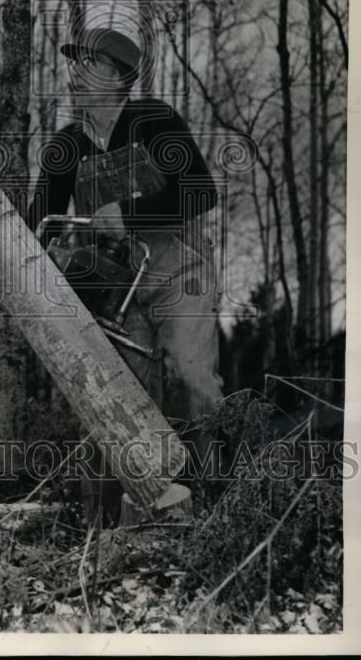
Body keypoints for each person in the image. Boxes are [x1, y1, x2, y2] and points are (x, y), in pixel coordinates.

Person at [28, 27, 224, 454]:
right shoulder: (66, 145)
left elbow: (200, 190)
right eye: (73, 65)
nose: (76, 74)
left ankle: (220, 502)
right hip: (115, 293)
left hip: (180, 276)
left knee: (194, 381)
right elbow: (40, 223)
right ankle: (130, 515)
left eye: (89, 64)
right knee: (124, 399)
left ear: (119, 78)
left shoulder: (154, 120)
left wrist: (128, 215)